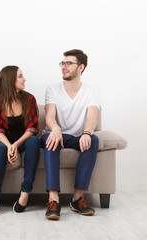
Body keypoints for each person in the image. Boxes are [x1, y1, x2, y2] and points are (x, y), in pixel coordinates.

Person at [41, 49, 100, 220]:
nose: (64, 67)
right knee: (51, 140)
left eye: (68, 63)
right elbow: (50, 116)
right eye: (63, 63)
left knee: (94, 140)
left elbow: (92, 117)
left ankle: (77, 198)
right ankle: (53, 199)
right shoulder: (52, 89)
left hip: (76, 138)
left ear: (80, 67)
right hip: (55, 134)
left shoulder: (90, 91)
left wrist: (87, 133)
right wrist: (55, 128)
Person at [0, 66, 40, 217]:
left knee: (34, 141)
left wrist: (16, 144)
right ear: (10, 80)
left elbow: (33, 127)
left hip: (24, 140)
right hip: (3, 140)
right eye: (21, 76)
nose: (24, 79)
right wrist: (9, 145)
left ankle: (25, 192)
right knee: (1, 149)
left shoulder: (29, 99)